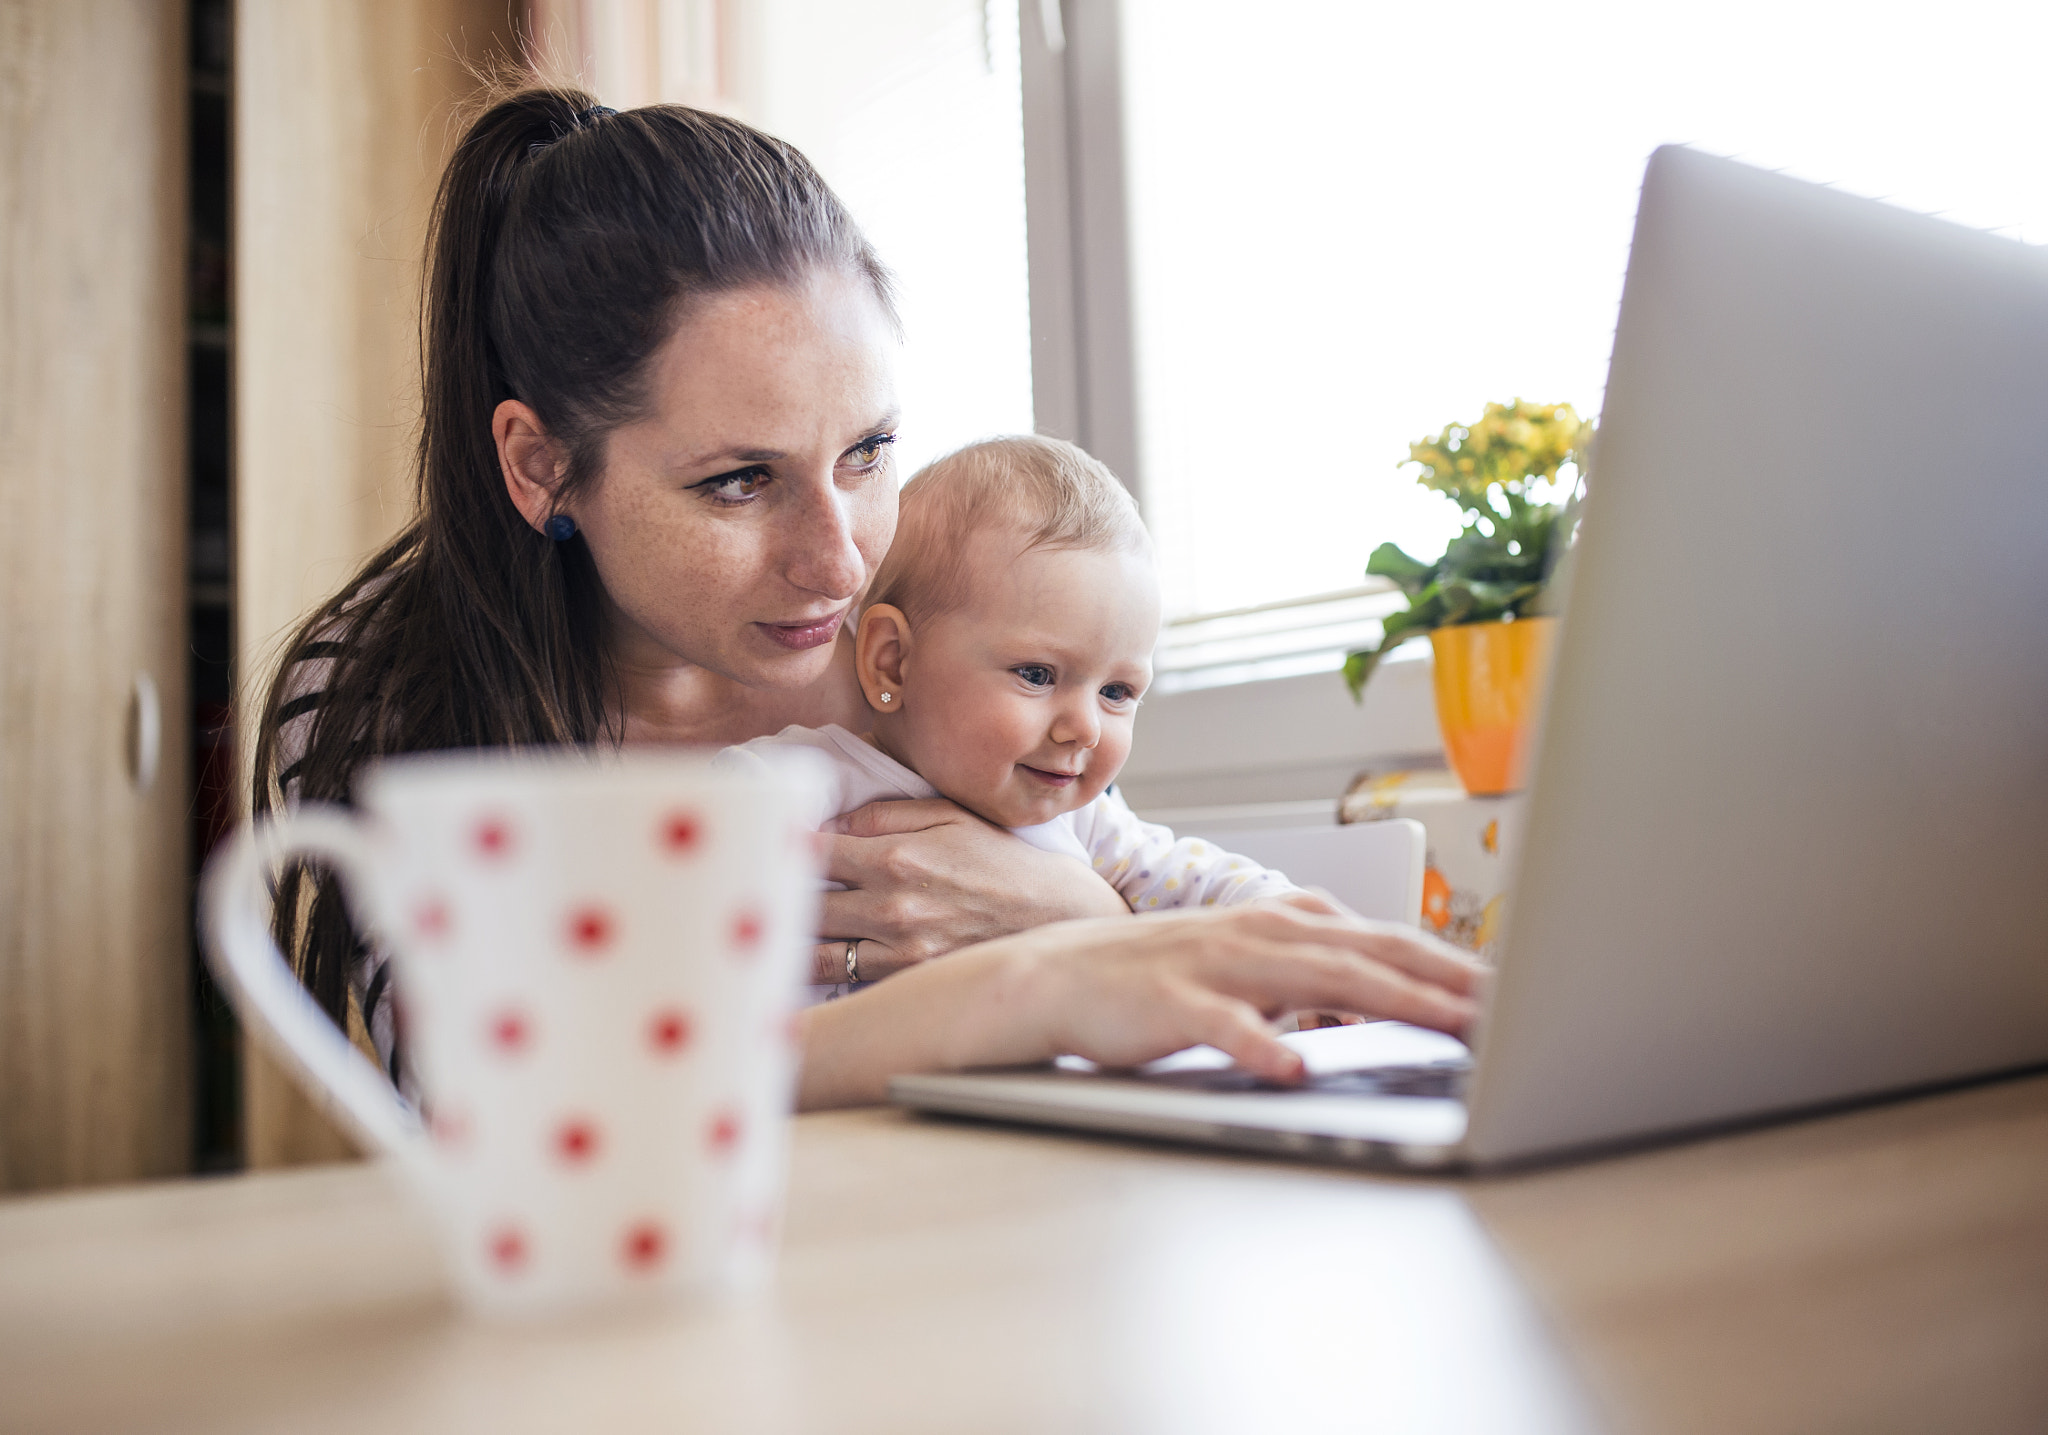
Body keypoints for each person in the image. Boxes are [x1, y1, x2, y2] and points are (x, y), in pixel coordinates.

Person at [253, 87, 1482, 1110]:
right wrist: (1033, 977)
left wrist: (1073, 917)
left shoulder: (924, 626)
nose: (838, 564)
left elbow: (1111, 870)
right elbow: (498, 1107)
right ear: (540, 466)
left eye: (867, 451)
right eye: (739, 482)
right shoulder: (382, 684)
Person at [722, 435, 1309, 1001]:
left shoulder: (1091, 825)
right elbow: (668, 880)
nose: (1085, 728)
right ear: (893, 662)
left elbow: (1202, 884)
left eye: (1117, 690)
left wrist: (1292, 937)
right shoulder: (800, 782)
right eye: (1037, 675)